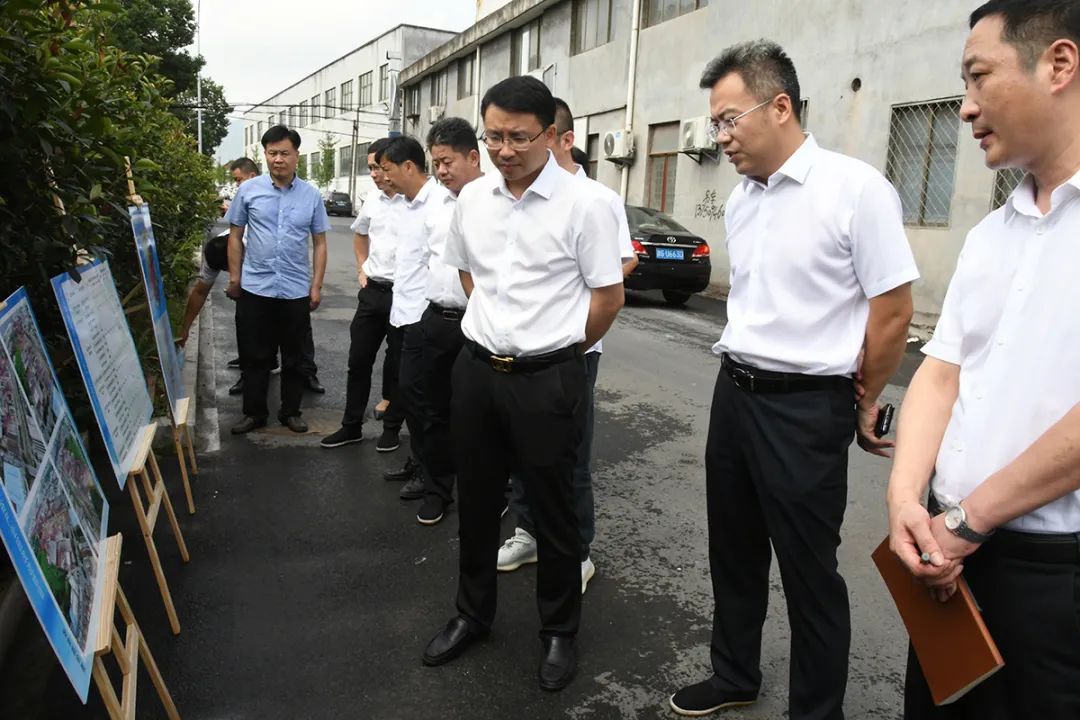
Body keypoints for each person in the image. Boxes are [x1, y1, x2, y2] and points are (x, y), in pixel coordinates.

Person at [669, 41, 918, 719]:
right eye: (714, 123)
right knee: (735, 551)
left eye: (727, 119)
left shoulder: (856, 189)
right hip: (736, 394)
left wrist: (863, 399)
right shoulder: (745, 198)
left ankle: (816, 710)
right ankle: (734, 673)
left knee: (810, 572)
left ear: (780, 105)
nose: (719, 136)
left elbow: (893, 311)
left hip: (807, 409)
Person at [887, 2, 1080, 717]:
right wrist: (908, 499)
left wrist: (967, 521)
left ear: (1058, 65)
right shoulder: (993, 234)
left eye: (978, 77)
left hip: (1051, 574)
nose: (966, 108)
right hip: (948, 559)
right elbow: (941, 372)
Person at [421, 76, 625, 692]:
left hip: (548, 379)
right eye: (493, 137)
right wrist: (497, 330)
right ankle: (472, 615)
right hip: (478, 372)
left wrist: (559, 348)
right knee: (479, 502)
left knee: (556, 512)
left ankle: (559, 632)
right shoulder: (473, 200)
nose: (504, 149)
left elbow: (609, 297)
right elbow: (466, 274)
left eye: (518, 137)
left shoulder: (585, 204)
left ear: (552, 135)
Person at [497, 99, 637, 595]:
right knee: (519, 447)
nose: (514, 151)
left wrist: (578, 301)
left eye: (529, 138)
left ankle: (577, 550)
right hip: (518, 350)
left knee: (569, 453)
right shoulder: (510, 196)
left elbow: (622, 264)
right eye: (501, 138)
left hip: (574, 348)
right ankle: (528, 532)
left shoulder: (596, 198)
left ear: (560, 138)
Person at [224, 125, 329, 434]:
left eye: (285, 153)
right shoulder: (248, 190)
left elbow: (320, 242)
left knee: (295, 357)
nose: (278, 159)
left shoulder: (311, 195)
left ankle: (290, 412)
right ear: (265, 155)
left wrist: (316, 286)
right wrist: (235, 277)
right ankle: (254, 413)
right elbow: (235, 235)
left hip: (295, 289)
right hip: (255, 287)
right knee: (254, 355)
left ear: (297, 155)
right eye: (272, 153)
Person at [411, 117, 484, 526]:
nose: (440, 171)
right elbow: (422, 259)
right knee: (431, 409)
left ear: (472, 157)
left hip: (478, 326)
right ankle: (437, 489)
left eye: (446, 161)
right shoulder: (433, 203)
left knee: (478, 415)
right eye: (435, 162)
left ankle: (491, 491)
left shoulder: (495, 200)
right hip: (436, 320)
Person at [374, 137, 450, 503]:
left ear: (408, 167)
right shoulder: (404, 205)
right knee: (409, 397)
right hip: (401, 315)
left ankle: (433, 474)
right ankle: (419, 460)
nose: (382, 177)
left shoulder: (439, 204)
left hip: (425, 318)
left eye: (386, 170)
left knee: (426, 404)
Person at [321, 139, 407, 450]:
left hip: (406, 297)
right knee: (358, 361)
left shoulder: (417, 201)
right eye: (370, 167)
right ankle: (351, 425)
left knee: (398, 365)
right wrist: (362, 269)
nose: (373, 173)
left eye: (378, 166)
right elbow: (360, 235)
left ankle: (392, 431)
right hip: (373, 293)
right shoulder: (373, 200)